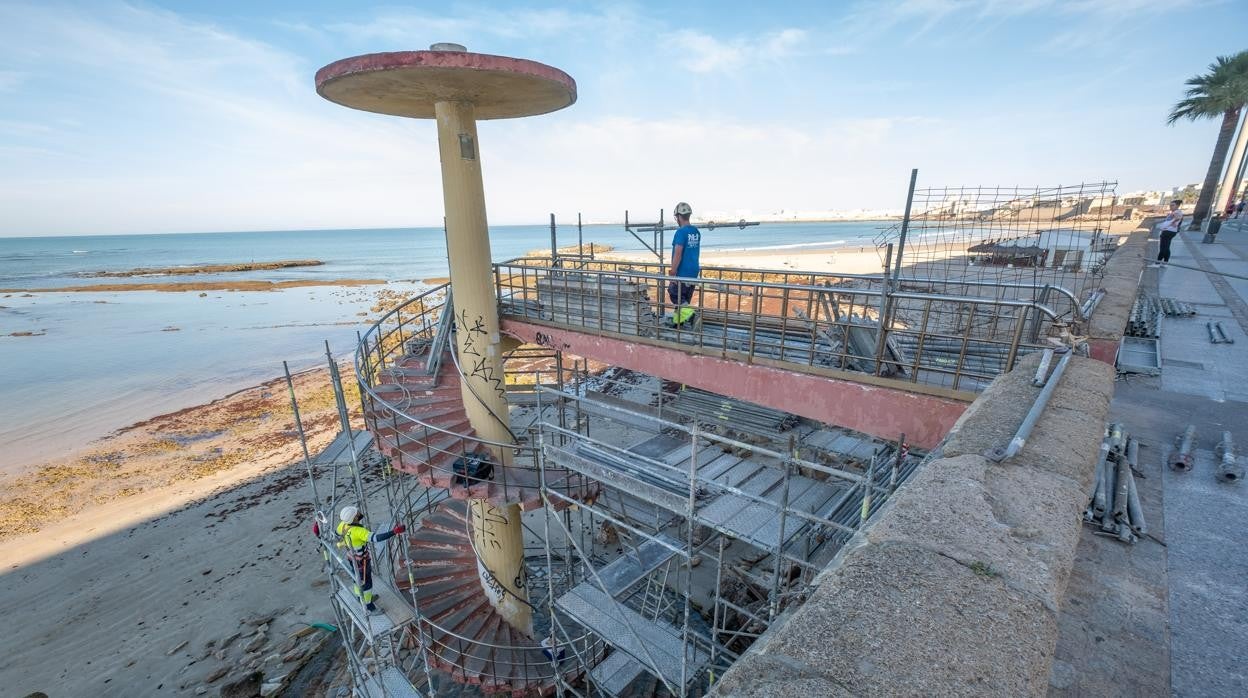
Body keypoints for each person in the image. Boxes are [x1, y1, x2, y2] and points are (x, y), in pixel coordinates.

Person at [335, 505, 405, 613]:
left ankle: (360, 598)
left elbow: (337, 533)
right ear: (354, 518)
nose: (359, 512)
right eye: (356, 512)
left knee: (357, 579)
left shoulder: (343, 525)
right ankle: (369, 607)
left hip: (351, 557)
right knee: (366, 583)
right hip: (361, 561)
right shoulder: (358, 531)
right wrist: (394, 532)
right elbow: (376, 538)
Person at [667, 201, 701, 326]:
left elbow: (678, 253)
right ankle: (678, 323)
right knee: (684, 299)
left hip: (682, 271)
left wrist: (673, 271)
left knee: (674, 293)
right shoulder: (695, 231)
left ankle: (692, 316)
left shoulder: (680, 232)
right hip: (693, 270)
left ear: (678, 217)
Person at [1155, 199, 1183, 266]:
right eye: (1170, 205)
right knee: (1166, 248)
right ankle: (1165, 263)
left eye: (1173, 205)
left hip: (1168, 232)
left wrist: (1171, 224)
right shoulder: (1175, 212)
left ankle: (1157, 263)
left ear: (1177, 205)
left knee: (1163, 248)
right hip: (1169, 231)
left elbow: (1178, 218)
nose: (1171, 207)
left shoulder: (1177, 212)